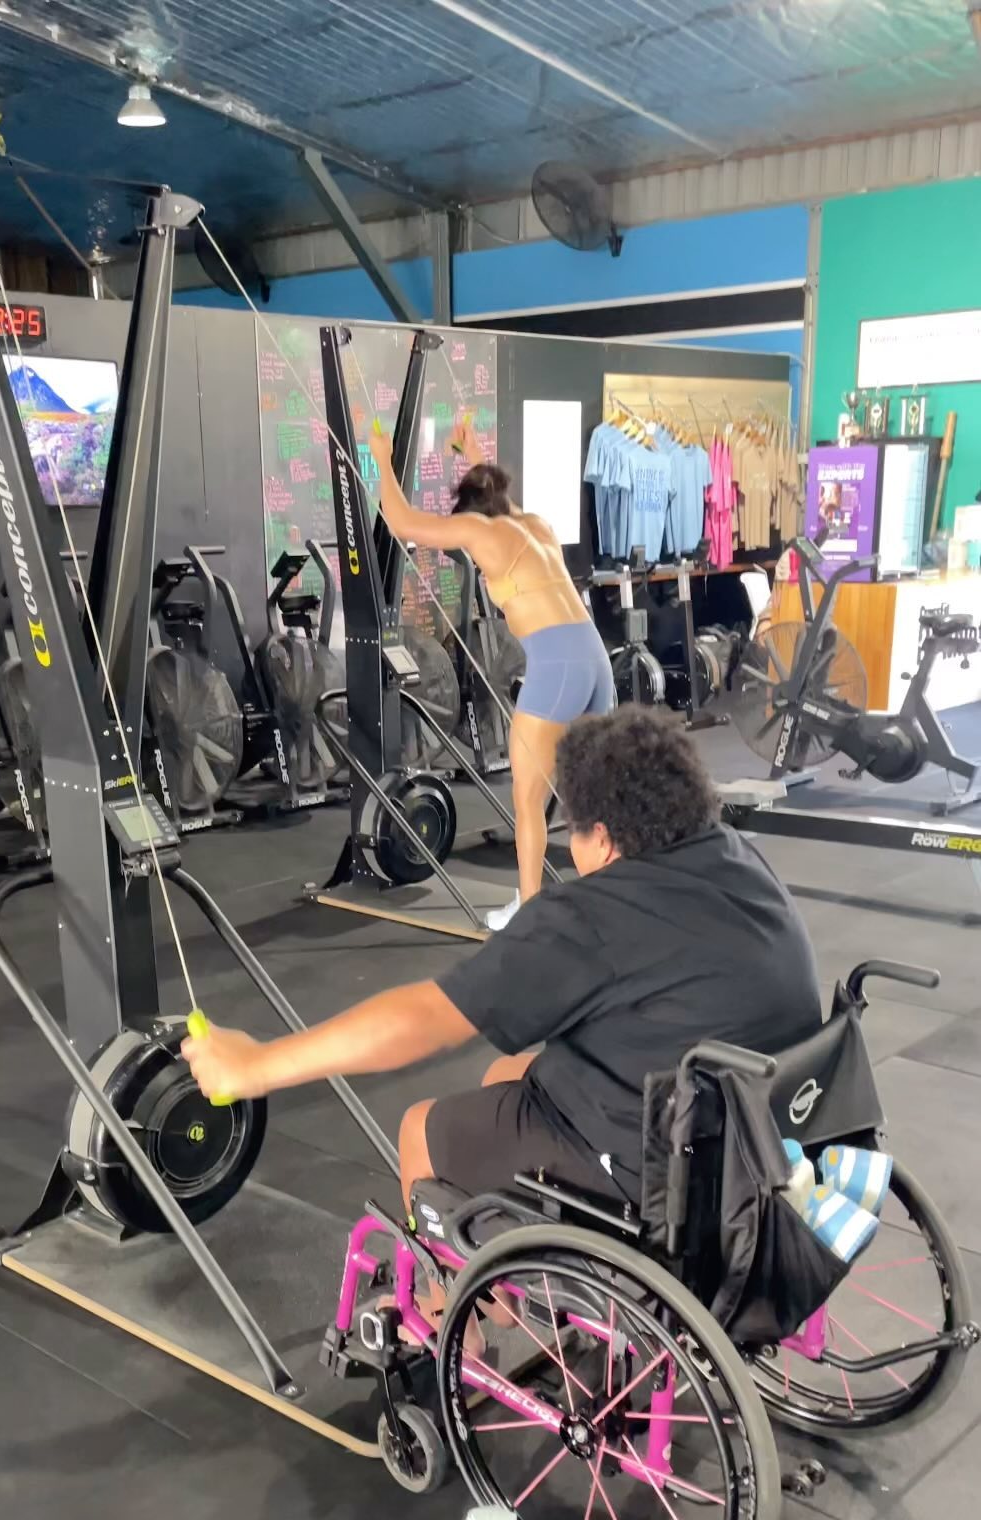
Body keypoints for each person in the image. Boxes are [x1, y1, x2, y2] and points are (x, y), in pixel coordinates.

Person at [182, 708, 824, 1227]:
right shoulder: (736, 856)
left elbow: (428, 1017)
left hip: (672, 1176)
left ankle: (450, 1319)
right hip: (765, 1134)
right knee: (507, 1073)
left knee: (421, 1131)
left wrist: (258, 1065)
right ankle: (520, 1243)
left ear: (600, 834)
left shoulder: (592, 913)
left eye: (573, 829)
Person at [367, 415, 614, 931]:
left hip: (558, 662)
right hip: (593, 655)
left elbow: (402, 523)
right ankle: (615, 901)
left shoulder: (481, 529)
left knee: (528, 798)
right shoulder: (532, 523)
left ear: (473, 512)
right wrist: (473, 450)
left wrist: (381, 457)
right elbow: (491, 484)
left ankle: (529, 914)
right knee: (592, 793)